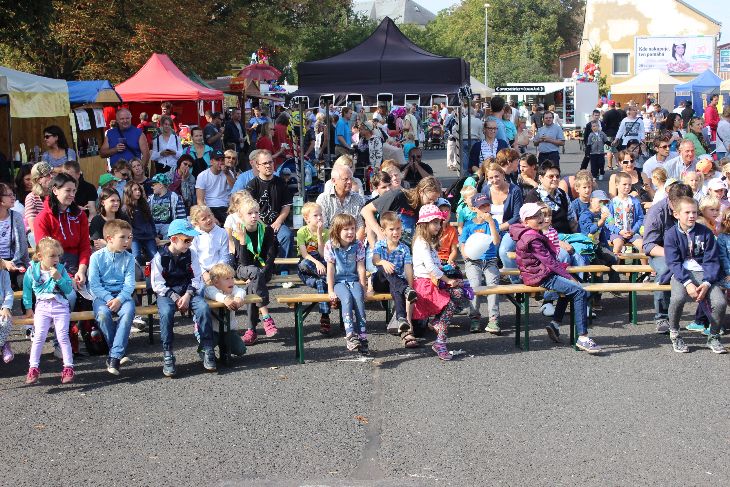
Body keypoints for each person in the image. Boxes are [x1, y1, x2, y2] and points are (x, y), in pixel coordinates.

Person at [509, 203, 601, 353]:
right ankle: (583, 337)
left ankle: (555, 324)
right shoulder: (531, 238)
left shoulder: (531, 232)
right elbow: (549, 262)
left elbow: (549, 261)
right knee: (579, 291)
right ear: (526, 221)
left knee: (572, 289)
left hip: (539, 272)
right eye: (535, 216)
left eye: (540, 214)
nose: (540, 218)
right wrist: (568, 276)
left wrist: (566, 274)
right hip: (540, 275)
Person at [151, 219, 216, 375]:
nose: (190, 243)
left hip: (188, 291)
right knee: (166, 313)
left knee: (203, 308)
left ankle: (207, 347)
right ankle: (168, 353)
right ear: (174, 239)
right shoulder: (159, 257)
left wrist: (187, 295)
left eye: (191, 240)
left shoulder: (191, 254)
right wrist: (174, 297)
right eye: (187, 240)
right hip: (167, 293)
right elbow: (157, 284)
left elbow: (197, 278)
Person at [663, 197, 726, 354]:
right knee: (677, 299)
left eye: (694, 212)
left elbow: (712, 260)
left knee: (720, 302)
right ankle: (675, 334)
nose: (691, 216)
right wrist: (687, 283)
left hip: (705, 274)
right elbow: (673, 263)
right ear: (676, 214)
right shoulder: (671, 234)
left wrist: (707, 283)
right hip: (681, 274)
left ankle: (714, 336)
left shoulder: (705, 232)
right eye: (687, 212)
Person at [411, 204, 470, 360]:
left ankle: (439, 328)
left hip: (433, 282)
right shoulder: (421, 242)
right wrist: (448, 280)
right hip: (425, 285)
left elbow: (436, 265)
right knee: (454, 297)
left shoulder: (428, 242)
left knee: (460, 292)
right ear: (424, 224)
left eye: (439, 222)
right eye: (435, 223)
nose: (439, 226)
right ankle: (440, 338)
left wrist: (448, 271)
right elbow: (430, 267)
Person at [643, 182, 695, 333]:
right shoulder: (657, 212)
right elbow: (649, 246)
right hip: (662, 253)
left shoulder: (692, 208)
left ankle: (706, 318)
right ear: (670, 200)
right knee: (667, 268)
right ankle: (662, 317)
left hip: (690, 251)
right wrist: (673, 253)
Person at [23, 237, 76, 384]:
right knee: (39, 336)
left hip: (60, 306)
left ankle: (68, 367)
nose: (56, 259)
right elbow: (27, 289)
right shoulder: (32, 271)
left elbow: (68, 289)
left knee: (63, 336)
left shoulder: (61, 269)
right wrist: (28, 307)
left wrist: (59, 278)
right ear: (40, 256)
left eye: (58, 255)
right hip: (42, 306)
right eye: (52, 256)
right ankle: (33, 368)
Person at [88, 219, 136, 375]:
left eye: (129, 237)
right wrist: (109, 298)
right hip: (102, 297)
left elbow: (129, 284)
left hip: (123, 296)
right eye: (122, 237)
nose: (127, 241)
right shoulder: (96, 257)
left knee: (127, 313)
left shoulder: (129, 258)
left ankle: (114, 357)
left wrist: (119, 299)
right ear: (109, 239)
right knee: (102, 315)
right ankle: (117, 353)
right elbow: (94, 285)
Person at [231, 196, 278, 345]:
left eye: (256, 212)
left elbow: (270, 256)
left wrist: (262, 272)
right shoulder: (238, 232)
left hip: (262, 269)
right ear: (241, 216)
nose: (254, 216)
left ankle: (251, 331)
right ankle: (266, 316)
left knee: (253, 284)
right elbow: (243, 262)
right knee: (254, 273)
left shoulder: (267, 230)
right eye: (249, 213)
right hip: (243, 269)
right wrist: (243, 240)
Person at [371, 211, 418, 346]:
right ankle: (405, 290)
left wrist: (410, 287)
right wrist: (383, 262)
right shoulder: (380, 245)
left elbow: (408, 268)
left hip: (395, 284)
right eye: (391, 229)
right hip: (380, 281)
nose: (396, 232)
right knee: (384, 269)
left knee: (397, 288)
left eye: (398, 228)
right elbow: (375, 260)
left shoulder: (404, 248)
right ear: (383, 231)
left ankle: (401, 319)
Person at [325, 213, 369, 354]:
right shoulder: (330, 245)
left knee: (359, 299)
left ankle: (362, 335)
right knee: (347, 298)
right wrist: (330, 290)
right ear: (337, 231)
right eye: (346, 229)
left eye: (352, 228)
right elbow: (330, 269)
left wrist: (363, 287)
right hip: (339, 282)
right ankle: (350, 334)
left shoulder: (358, 244)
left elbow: (361, 267)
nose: (350, 232)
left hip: (353, 280)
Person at [460, 193, 501, 334]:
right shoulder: (469, 225)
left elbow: (496, 241)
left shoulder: (493, 223)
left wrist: (491, 222)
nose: (485, 209)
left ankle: (494, 319)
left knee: (493, 285)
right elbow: (462, 243)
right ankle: (474, 317)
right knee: (475, 285)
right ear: (474, 209)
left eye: (487, 205)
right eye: (481, 206)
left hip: (490, 260)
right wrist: (465, 255)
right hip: (473, 261)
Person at [362, 176, 441, 247]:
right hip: (385, 246)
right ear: (421, 192)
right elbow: (366, 210)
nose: (432, 204)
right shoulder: (398, 195)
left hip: (406, 251)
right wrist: (379, 233)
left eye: (435, 201)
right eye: (430, 199)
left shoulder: (426, 208)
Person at [246, 149, 293, 261]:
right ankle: (262, 267)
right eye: (265, 163)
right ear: (257, 166)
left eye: (270, 162)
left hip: (278, 223)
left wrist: (278, 222)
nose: (268, 165)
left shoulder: (281, 183)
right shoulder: (252, 185)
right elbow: (249, 210)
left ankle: (283, 268)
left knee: (287, 235)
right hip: (257, 223)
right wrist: (263, 226)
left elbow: (286, 206)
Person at [296, 202, 331, 334]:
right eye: (316, 215)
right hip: (308, 267)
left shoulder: (326, 232)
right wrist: (317, 263)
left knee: (321, 283)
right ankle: (331, 282)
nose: (319, 217)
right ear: (307, 219)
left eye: (321, 214)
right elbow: (304, 254)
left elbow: (323, 254)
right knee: (304, 264)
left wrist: (319, 234)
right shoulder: (302, 232)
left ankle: (325, 317)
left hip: (321, 266)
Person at [202, 263, 248, 358]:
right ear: (216, 282)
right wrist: (225, 299)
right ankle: (206, 352)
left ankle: (224, 350)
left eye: (232, 278)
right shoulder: (210, 289)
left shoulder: (233, 288)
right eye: (227, 279)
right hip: (212, 330)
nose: (231, 281)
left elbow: (241, 291)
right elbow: (212, 294)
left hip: (229, 330)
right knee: (205, 350)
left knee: (241, 350)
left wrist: (238, 298)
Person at [190, 205, 229, 284]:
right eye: (204, 219)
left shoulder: (222, 232)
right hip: (199, 271)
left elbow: (224, 255)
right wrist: (203, 273)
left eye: (210, 215)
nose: (208, 219)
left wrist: (217, 271)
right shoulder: (193, 235)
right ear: (196, 223)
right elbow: (193, 258)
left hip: (218, 270)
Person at [608, 172, 645, 255]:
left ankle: (644, 263)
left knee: (642, 246)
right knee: (618, 246)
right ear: (617, 185)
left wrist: (633, 230)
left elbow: (640, 218)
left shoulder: (635, 202)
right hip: (617, 233)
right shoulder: (613, 202)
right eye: (624, 184)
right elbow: (609, 221)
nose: (627, 187)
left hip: (632, 232)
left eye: (629, 184)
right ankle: (615, 263)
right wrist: (619, 231)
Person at [196, 149, 235, 224]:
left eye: (222, 160)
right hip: (209, 207)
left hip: (225, 206)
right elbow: (200, 201)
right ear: (211, 161)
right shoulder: (202, 175)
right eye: (217, 160)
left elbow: (235, 188)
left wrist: (227, 173)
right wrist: (211, 216)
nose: (220, 162)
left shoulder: (229, 172)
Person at [123, 182, 157, 266]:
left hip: (148, 236)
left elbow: (151, 221)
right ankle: (138, 273)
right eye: (135, 190)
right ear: (129, 192)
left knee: (155, 256)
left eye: (139, 189)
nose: (138, 192)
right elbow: (127, 226)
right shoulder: (125, 208)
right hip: (135, 237)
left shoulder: (144, 204)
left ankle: (153, 273)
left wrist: (155, 235)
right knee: (136, 256)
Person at [0, 183, 29, 275]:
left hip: (14, 261)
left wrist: (27, 266)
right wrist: (3, 263)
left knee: (23, 279)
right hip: (1, 262)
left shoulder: (16, 217)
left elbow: (23, 244)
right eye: (9, 195)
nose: (13, 198)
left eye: (13, 195)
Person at [148, 173, 187, 238]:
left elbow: (182, 216)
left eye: (153, 185)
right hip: (154, 225)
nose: (152, 187)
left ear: (160, 185)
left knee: (170, 233)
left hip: (169, 225)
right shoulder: (150, 199)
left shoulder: (174, 197)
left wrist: (182, 229)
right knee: (149, 234)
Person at [25, 162, 53, 242]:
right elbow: (34, 228)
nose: (51, 176)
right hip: (41, 237)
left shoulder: (56, 194)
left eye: (51, 173)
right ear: (38, 180)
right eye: (47, 175)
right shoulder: (31, 198)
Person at [602, 100, 622, 170]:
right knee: (615, 149)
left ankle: (609, 166)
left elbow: (603, 124)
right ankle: (618, 164)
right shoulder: (618, 113)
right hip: (616, 133)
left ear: (609, 105)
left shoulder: (607, 113)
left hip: (608, 133)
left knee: (609, 150)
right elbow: (620, 123)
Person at [0, 258, 13, 363]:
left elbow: (9, 292)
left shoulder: (4, 274)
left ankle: (2, 344)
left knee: (5, 321)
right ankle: (4, 344)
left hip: (3, 307)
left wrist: (6, 307)